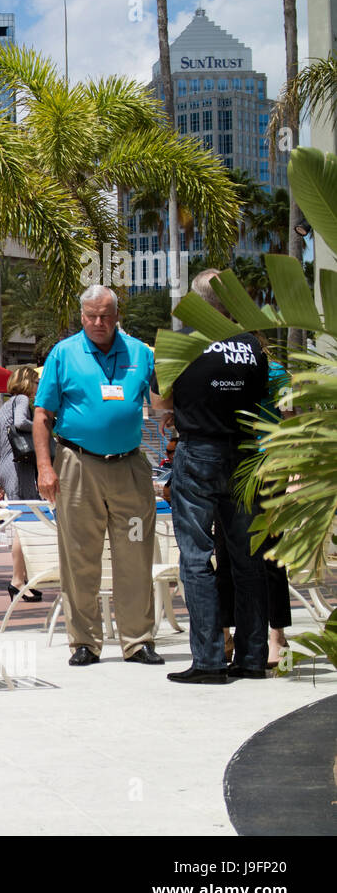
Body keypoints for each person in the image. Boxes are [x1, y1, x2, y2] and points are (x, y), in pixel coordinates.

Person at [33, 284, 163, 667]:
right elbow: (42, 417)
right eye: (91, 315)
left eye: (105, 315)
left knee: (136, 554)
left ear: (117, 315)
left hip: (130, 466)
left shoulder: (141, 354)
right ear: (82, 316)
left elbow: (161, 405)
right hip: (77, 464)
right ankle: (84, 642)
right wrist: (45, 467)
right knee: (79, 557)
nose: (98, 322)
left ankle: (138, 641)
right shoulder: (64, 353)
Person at [151, 269, 270, 684]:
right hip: (244, 453)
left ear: (200, 303)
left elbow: (158, 400)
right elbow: (261, 394)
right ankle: (253, 657)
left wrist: (174, 409)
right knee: (247, 559)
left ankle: (209, 660)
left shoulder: (180, 341)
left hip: (198, 451)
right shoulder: (254, 346)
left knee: (197, 559)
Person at [0, 365, 43, 602]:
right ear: (27, 382)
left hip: (6, 465)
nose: (37, 387)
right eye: (35, 382)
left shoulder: (4, 406)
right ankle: (17, 580)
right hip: (18, 465)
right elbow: (23, 423)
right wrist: (44, 428)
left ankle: (23, 580)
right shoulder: (23, 399)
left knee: (21, 522)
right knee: (25, 523)